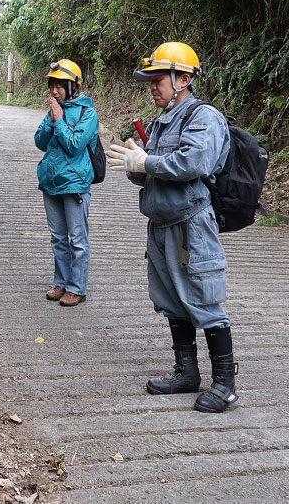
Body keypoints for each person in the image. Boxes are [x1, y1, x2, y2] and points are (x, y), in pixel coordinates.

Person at [106, 42, 237, 413]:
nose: (152, 85)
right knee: (170, 300)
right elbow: (151, 176)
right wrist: (136, 165)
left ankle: (225, 383)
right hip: (160, 225)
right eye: (149, 79)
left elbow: (193, 162)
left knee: (203, 298)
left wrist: (146, 161)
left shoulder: (203, 117)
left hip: (191, 225)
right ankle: (186, 373)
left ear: (183, 78)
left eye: (158, 78)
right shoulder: (160, 120)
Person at [33, 59, 98, 306]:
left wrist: (59, 120)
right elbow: (39, 142)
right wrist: (52, 121)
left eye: (60, 86)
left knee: (78, 239)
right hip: (51, 182)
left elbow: (73, 146)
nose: (54, 91)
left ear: (73, 86)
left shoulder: (87, 113)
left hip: (75, 185)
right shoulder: (53, 110)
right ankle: (61, 283)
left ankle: (77, 288)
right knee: (58, 237)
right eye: (52, 85)